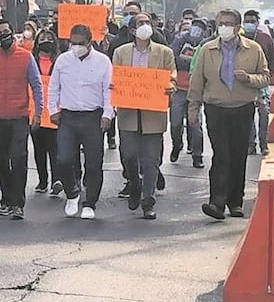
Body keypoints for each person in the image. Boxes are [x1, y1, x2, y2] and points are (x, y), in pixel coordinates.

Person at [188, 9, 271, 220]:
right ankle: (217, 202)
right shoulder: (207, 50)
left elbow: (265, 77)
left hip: (242, 108)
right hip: (216, 108)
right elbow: (197, 81)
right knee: (221, 154)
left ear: (237, 26)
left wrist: (249, 78)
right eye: (221, 23)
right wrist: (193, 110)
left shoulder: (253, 49)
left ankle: (235, 202)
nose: (224, 27)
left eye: (228, 23)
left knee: (238, 155)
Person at [0, 18, 43, 220]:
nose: (3, 36)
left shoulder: (26, 56)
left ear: (12, 32)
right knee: (1, 160)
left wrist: (38, 112)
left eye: (6, 31)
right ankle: (6, 200)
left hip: (19, 117)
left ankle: (18, 203)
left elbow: (36, 85)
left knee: (19, 158)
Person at [112, 13, 176, 219]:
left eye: (148, 22)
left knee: (151, 160)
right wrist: (114, 86)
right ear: (132, 30)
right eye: (141, 23)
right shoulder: (120, 52)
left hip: (153, 113)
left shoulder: (165, 52)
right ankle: (134, 184)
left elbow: (172, 75)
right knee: (129, 155)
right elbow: (114, 76)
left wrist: (170, 85)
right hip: (128, 112)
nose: (145, 25)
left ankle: (148, 200)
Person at [49, 23, 114, 221]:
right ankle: (72, 193)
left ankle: (90, 202)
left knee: (94, 162)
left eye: (80, 43)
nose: (76, 47)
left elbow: (109, 90)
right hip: (68, 117)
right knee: (64, 159)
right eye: (73, 43)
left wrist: (108, 114)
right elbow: (53, 87)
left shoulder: (103, 61)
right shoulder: (63, 60)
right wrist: (53, 110)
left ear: (89, 41)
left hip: (93, 117)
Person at [170, 19, 206, 168]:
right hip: (178, 89)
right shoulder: (179, 41)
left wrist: (185, 61)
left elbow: (203, 65)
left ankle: (197, 155)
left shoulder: (205, 44)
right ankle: (177, 144)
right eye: (195, 26)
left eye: (200, 28)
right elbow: (172, 59)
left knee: (195, 124)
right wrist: (191, 62)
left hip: (196, 90)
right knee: (175, 123)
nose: (196, 30)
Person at [243, 10, 274, 156]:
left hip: (262, 83)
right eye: (247, 21)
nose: (249, 24)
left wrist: (268, 76)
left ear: (257, 23)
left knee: (264, 113)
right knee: (247, 114)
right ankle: (250, 144)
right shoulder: (239, 38)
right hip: (244, 83)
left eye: (252, 21)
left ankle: (264, 144)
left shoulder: (265, 39)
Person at [32, 28, 62, 196]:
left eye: (49, 38)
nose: (46, 41)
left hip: (54, 110)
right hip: (35, 110)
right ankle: (42, 180)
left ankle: (56, 180)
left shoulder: (60, 61)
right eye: (42, 38)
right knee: (39, 148)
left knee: (54, 147)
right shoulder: (31, 60)